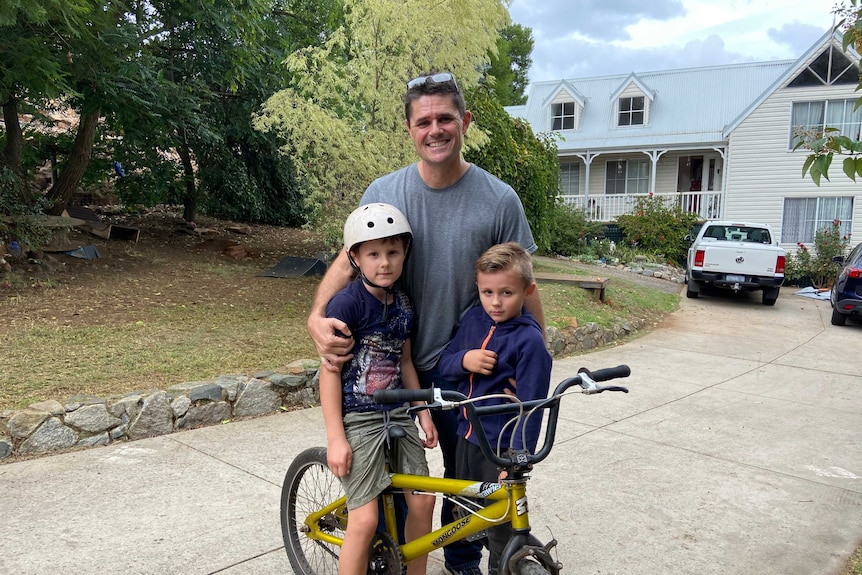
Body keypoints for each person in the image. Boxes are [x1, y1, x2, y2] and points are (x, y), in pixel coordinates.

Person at [307, 71, 545, 575]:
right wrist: (316, 316)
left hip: (471, 366)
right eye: (424, 121)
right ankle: (383, 558)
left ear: (465, 122)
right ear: (409, 129)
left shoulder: (499, 199)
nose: (435, 129)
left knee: (472, 478)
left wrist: (535, 356)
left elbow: (526, 284)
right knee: (391, 489)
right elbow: (348, 259)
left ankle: (462, 563)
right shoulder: (385, 191)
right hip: (398, 367)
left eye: (445, 118)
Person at [319, 203, 438, 575]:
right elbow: (329, 372)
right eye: (373, 253)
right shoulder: (347, 304)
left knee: (423, 502)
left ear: (405, 253)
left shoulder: (404, 304)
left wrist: (421, 410)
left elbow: (405, 363)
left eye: (392, 252)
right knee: (366, 520)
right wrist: (336, 438)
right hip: (359, 417)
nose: (384, 262)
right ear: (355, 257)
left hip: (399, 412)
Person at [438, 242, 552, 575]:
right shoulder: (473, 320)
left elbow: (532, 409)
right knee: (465, 509)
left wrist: (518, 458)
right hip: (467, 436)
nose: (496, 302)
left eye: (507, 292)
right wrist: (465, 359)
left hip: (500, 447)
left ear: (527, 291)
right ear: (478, 288)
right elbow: (446, 364)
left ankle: (502, 567)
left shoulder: (529, 342)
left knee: (500, 520)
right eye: (487, 292)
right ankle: (463, 563)